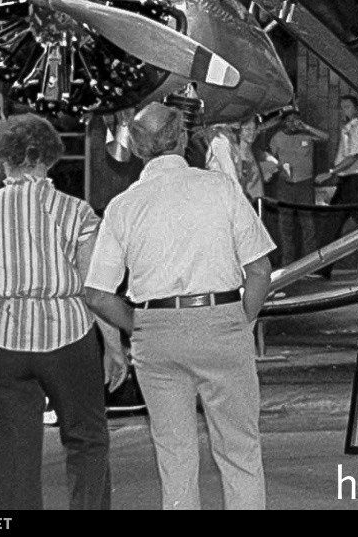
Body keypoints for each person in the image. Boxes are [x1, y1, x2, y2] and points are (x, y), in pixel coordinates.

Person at [83, 102, 276, 510]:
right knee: (239, 451)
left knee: (174, 454)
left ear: (135, 148)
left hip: (156, 329)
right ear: (184, 137)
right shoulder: (221, 188)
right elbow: (259, 269)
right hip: (220, 319)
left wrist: (140, 325)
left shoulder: (123, 206)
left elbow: (98, 293)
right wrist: (241, 320)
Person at [0, 113, 127, 510]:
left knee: (11, 452)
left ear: (3, 157)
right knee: (86, 438)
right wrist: (113, 347)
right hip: (67, 337)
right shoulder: (75, 211)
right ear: (52, 157)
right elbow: (93, 288)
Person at [317, 96, 358, 276]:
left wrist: (331, 172)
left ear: (356, 109)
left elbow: (354, 156)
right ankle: (322, 268)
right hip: (349, 182)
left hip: (356, 182)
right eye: (341, 107)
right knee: (333, 224)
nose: (344, 111)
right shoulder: (348, 130)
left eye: (347, 107)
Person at [266, 110, 327, 265]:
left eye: (296, 120)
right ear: (284, 122)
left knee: (308, 225)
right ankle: (288, 262)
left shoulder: (306, 135)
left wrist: (305, 126)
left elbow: (325, 137)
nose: (293, 123)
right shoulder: (277, 138)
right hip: (285, 185)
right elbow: (269, 158)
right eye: (290, 120)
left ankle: (310, 263)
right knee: (285, 225)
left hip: (305, 184)